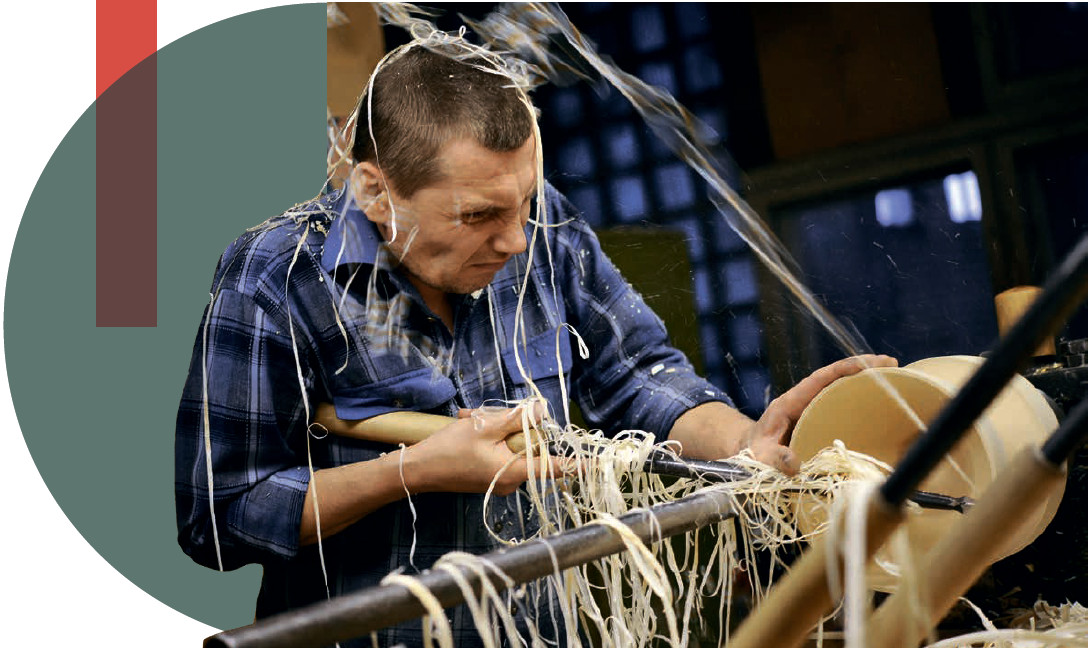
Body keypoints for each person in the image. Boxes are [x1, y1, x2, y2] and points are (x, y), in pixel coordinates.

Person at [175, 43, 895, 646]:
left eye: (525, 201)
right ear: (374, 192)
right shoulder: (276, 277)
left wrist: (743, 446)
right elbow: (217, 515)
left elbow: (639, 373)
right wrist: (413, 472)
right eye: (477, 215)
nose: (516, 240)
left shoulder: (545, 229)